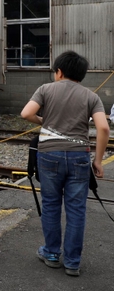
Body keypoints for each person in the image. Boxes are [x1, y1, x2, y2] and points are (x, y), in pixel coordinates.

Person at [21, 50, 109, 276]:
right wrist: (97, 161)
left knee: (51, 204)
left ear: (59, 72)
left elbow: (26, 113)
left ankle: (51, 253)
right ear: (81, 74)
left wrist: (44, 122)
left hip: (49, 154)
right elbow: (103, 128)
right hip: (79, 156)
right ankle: (72, 262)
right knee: (77, 209)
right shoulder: (91, 96)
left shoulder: (45, 89)